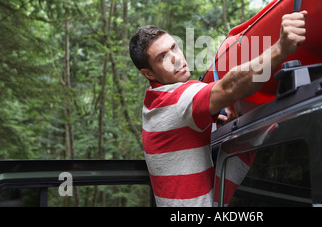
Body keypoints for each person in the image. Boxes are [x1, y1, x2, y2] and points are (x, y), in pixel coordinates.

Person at [129, 11, 307, 206]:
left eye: (175, 48)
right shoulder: (177, 100)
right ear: (148, 73)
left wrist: (219, 108)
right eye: (162, 57)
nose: (176, 59)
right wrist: (281, 48)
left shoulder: (153, 102)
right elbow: (230, 86)